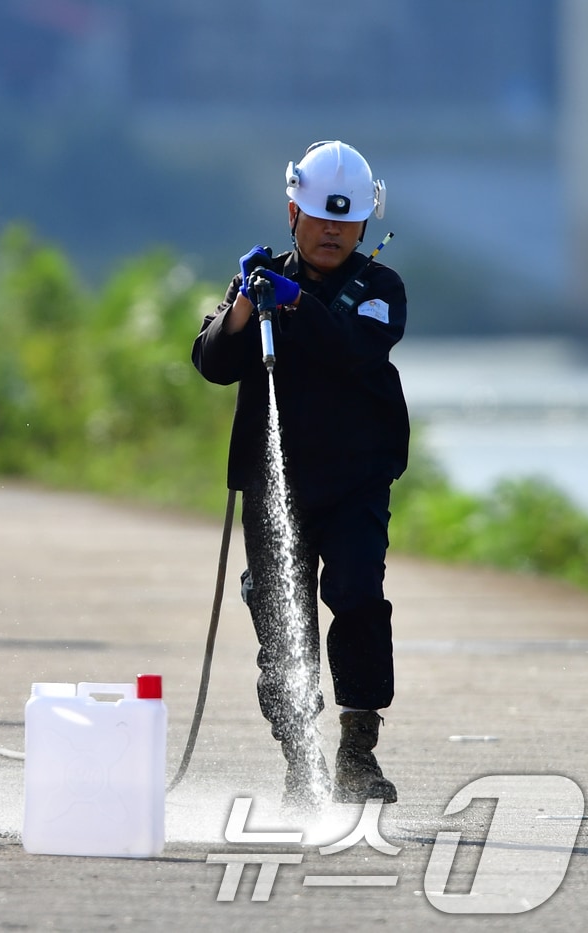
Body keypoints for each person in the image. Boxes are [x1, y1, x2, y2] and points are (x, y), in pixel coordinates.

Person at [191, 140, 406, 808]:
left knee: (358, 595)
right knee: (283, 619)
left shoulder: (379, 289)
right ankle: (298, 759)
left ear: (365, 224)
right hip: (273, 483)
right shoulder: (259, 284)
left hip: (355, 483)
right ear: (293, 212)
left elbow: (351, 350)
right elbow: (211, 361)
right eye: (319, 218)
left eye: (345, 223)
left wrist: (296, 305)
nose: (333, 232)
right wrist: (245, 311)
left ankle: (357, 751)